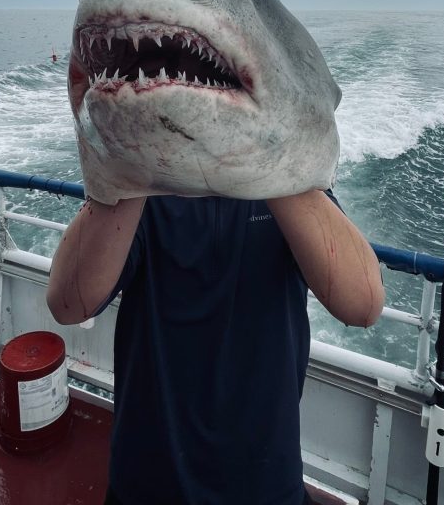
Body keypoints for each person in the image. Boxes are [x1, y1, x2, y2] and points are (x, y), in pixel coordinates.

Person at [47, 188, 384, 505]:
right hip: (147, 481)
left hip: (266, 482)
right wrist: (134, 171)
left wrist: (273, 171)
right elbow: (68, 304)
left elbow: (363, 305)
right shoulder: (143, 192)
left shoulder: (294, 189)